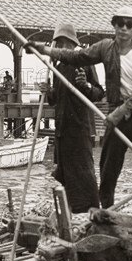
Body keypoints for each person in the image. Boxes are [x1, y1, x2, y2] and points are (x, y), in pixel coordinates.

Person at [28, 6, 132, 233]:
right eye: (120, 23)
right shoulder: (105, 48)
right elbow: (75, 56)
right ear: (113, 25)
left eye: (129, 24)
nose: (124, 28)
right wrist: (45, 50)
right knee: (108, 166)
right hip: (116, 112)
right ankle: (108, 210)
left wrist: (118, 113)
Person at [43, 23, 104, 213]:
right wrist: (48, 92)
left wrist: (85, 85)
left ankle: (91, 210)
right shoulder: (58, 67)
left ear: (70, 44)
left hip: (79, 128)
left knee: (83, 172)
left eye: (62, 43)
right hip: (62, 130)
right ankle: (72, 210)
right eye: (57, 44)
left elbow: (98, 93)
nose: (59, 47)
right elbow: (56, 100)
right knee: (66, 172)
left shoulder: (83, 62)